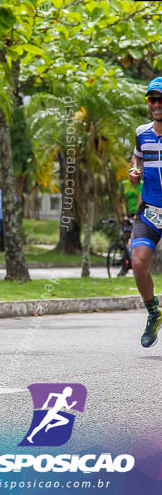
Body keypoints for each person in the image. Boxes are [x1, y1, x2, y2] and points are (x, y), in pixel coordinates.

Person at [127, 77, 162, 347]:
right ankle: (153, 312)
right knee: (138, 262)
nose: (157, 104)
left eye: (161, 99)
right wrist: (134, 171)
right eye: (153, 99)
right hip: (150, 209)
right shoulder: (142, 132)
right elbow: (137, 156)